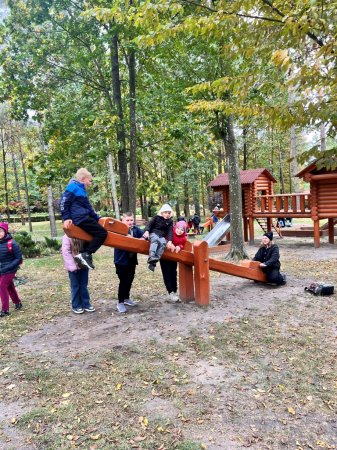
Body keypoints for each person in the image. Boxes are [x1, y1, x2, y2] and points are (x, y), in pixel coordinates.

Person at [60, 168, 108, 270]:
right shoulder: (73, 187)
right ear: (82, 179)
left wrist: (97, 218)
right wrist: (67, 218)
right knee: (102, 233)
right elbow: (63, 202)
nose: (90, 183)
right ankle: (86, 254)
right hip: (81, 218)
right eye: (89, 180)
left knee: (90, 235)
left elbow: (88, 207)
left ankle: (83, 254)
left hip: (83, 216)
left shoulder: (81, 190)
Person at [114, 212, 144, 314]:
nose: (130, 222)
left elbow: (144, 235)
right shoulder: (118, 230)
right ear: (122, 221)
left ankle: (126, 298)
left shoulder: (135, 229)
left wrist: (143, 238)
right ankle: (120, 302)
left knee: (130, 279)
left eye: (131, 220)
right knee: (123, 281)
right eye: (127, 220)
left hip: (132, 260)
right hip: (121, 260)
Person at [61, 235, 95, 314]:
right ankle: (76, 305)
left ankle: (86, 304)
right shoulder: (67, 237)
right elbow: (66, 252)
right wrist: (73, 267)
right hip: (73, 267)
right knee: (75, 286)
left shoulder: (82, 234)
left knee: (83, 285)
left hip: (83, 265)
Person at [160, 220, 187, 303]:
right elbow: (163, 238)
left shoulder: (183, 238)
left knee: (173, 273)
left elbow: (182, 243)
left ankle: (174, 291)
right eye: (178, 228)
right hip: (164, 257)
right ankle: (170, 291)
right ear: (175, 227)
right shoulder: (170, 233)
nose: (179, 231)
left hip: (173, 258)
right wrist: (168, 243)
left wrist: (180, 246)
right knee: (167, 273)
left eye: (182, 230)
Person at [0, 222, 23, 317]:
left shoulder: (12, 243)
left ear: (5, 232)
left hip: (10, 269)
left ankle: (5, 310)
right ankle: (17, 302)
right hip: (2, 270)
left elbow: (18, 258)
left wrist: (8, 267)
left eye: (0, 231)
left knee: (1, 286)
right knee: (9, 286)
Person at [143, 204, 173, 271]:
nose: (167, 214)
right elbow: (149, 224)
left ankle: (153, 262)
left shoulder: (170, 221)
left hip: (161, 235)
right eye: (165, 213)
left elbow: (170, 231)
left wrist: (170, 240)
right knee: (155, 239)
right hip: (153, 233)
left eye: (169, 213)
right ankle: (151, 256)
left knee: (163, 243)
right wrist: (147, 231)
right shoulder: (156, 217)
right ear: (162, 212)